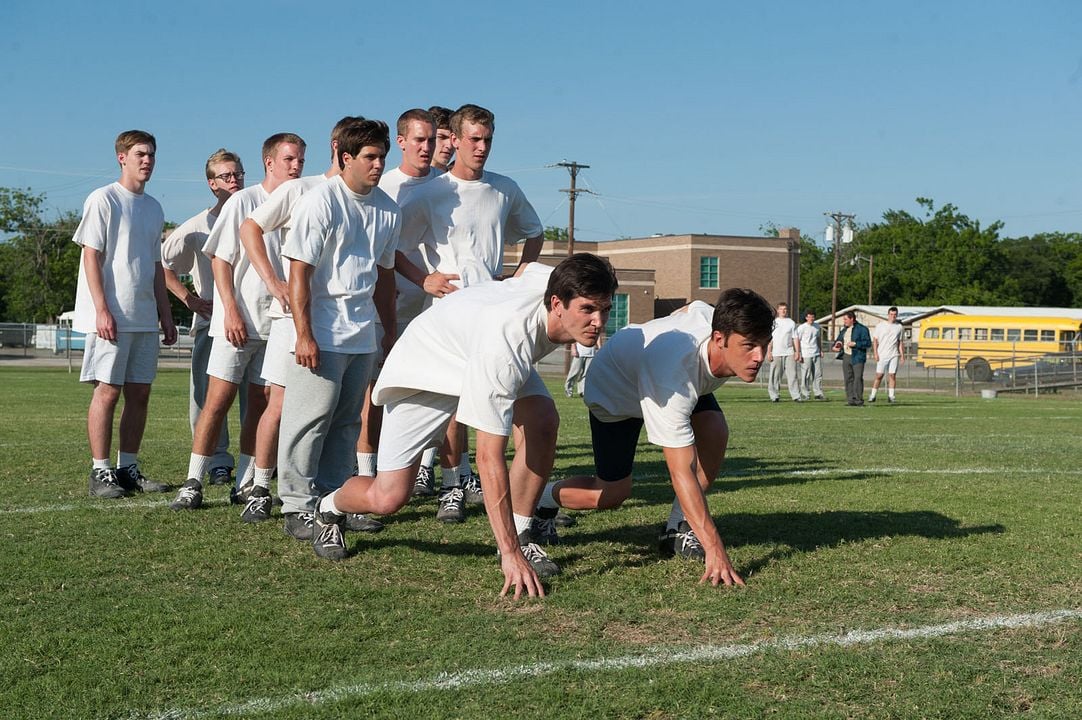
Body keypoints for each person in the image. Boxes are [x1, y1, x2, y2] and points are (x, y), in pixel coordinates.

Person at [309, 253, 619, 601]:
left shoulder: (550, 283)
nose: (598, 321)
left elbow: (528, 269)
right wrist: (509, 555)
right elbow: (488, 457)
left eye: (604, 309)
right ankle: (329, 507)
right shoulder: (506, 346)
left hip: (475, 348)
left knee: (543, 420)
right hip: (427, 368)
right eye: (588, 309)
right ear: (557, 303)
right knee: (388, 497)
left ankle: (522, 533)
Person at [533, 288, 774, 588]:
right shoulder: (673, 373)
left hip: (661, 371)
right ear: (719, 339)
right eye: (749, 346)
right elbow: (680, 471)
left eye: (764, 344)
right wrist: (714, 547)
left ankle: (677, 527)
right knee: (612, 493)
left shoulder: (710, 319)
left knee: (714, 431)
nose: (759, 357)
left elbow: (691, 308)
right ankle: (541, 499)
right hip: (615, 390)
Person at [395, 103, 546, 523]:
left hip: (496, 314)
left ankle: (527, 501)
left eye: (488, 140)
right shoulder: (429, 193)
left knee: (521, 406)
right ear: (456, 140)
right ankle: (451, 486)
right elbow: (394, 247)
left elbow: (534, 233)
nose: (482, 147)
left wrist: (518, 277)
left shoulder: (504, 189)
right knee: (454, 404)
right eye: (474, 139)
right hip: (450, 315)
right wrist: (424, 279)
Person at [234, 117, 382, 535]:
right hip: (297, 318)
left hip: (348, 328)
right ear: (340, 149)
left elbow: (381, 268)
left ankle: (333, 499)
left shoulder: (376, 203)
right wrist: (273, 281)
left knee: (341, 416)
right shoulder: (302, 190)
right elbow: (250, 228)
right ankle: (265, 489)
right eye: (368, 154)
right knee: (286, 408)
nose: (297, 164)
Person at [276, 119, 400, 537]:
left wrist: (389, 332)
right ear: (346, 158)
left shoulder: (388, 209)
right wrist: (304, 334)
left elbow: (385, 276)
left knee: (347, 423)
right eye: (370, 157)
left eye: (382, 157)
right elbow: (299, 272)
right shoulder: (320, 201)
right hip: (322, 332)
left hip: (362, 334)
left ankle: (333, 502)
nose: (378, 164)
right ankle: (297, 505)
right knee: (308, 422)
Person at [170, 133, 306, 511]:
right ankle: (193, 481)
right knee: (217, 401)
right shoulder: (244, 200)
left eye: (300, 160)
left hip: (278, 324)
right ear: (269, 162)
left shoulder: (303, 200)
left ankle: (245, 482)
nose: (296, 166)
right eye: (289, 159)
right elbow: (220, 259)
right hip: (238, 321)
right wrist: (229, 310)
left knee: (260, 406)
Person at [75, 130, 176, 498]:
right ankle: (100, 471)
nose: (147, 160)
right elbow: (91, 255)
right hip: (112, 316)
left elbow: (155, 265)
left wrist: (165, 313)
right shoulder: (103, 198)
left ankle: (127, 468)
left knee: (140, 394)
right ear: (122, 157)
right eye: (139, 154)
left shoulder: (154, 207)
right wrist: (102, 309)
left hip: (144, 317)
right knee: (107, 392)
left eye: (151, 154)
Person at [365, 109, 443, 499]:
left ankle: (427, 468)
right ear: (401, 142)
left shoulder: (447, 186)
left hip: (433, 309)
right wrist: (416, 279)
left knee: (434, 389)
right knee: (374, 391)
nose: (426, 147)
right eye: (419, 140)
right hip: (386, 305)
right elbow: (382, 247)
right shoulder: (384, 186)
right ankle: (366, 468)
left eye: (432, 139)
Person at [161, 149, 248, 488]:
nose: (234, 180)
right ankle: (217, 461)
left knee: (257, 396)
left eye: (238, 174)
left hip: (256, 321)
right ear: (212, 184)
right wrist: (190, 300)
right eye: (226, 176)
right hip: (212, 325)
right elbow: (164, 265)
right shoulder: (198, 226)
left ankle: (254, 462)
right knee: (208, 397)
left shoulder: (258, 213)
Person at [833, 310, 872, 406]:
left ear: (852, 319)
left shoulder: (862, 329)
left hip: (857, 357)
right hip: (846, 356)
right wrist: (837, 345)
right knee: (848, 378)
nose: (844, 321)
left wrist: (856, 344)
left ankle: (858, 400)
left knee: (857, 378)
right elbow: (839, 340)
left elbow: (868, 343)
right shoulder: (844, 330)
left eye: (846, 319)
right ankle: (851, 400)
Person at [766, 301, 801, 402]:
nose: (783, 311)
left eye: (785, 309)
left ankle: (796, 396)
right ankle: (774, 396)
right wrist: (769, 352)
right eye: (781, 309)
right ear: (778, 310)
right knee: (775, 376)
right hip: (776, 353)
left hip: (789, 352)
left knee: (792, 375)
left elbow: (795, 338)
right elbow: (770, 339)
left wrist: (797, 352)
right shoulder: (773, 322)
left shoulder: (791, 323)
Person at [869, 306, 905, 403]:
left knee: (892, 375)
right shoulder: (880, 326)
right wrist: (875, 353)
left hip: (894, 354)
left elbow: (900, 342)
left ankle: (891, 396)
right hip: (882, 354)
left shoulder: (899, 327)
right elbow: (875, 340)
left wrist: (902, 355)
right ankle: (873, 395)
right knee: (879, 375)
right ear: (888, 315)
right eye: (891, 314)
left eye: (895, 314)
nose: (893, 316)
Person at [794, 309, 825, 401]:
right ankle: (805, 393)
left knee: (818, 374)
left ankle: (818, 393)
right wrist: (798, 352)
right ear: (806, 317)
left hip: (816, 353)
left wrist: (820, 350)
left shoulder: (817, 326)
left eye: (813, 316)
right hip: (806, 354)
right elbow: (797, 340)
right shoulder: (802, 328)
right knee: (806, 375)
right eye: (809, 317)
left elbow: (818, 339)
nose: (811, 318)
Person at [428, 105, 455, 172]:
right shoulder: (407, 177)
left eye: (454, 139)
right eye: (442, 137)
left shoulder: (461, 178)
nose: (449, 145)